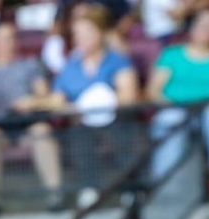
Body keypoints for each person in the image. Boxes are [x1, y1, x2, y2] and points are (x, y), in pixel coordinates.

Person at [39, 3, 141, 207]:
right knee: (78, 131)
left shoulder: (117, 61)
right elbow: (58, 100)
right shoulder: (71, 66)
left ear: (101, 33)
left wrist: (99, 103)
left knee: (122, 129)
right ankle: (89, 187)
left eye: (86, 33)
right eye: (77, 34)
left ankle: (130, 187)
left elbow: (128, 96)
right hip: (83, 123)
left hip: (116, 119)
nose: (80, 38)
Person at [0, 20, 64, 210]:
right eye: (3, 39)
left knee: (42, 131)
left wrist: (31, 102)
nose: (9, 43)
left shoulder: (30, 65)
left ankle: (55, 195)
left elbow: (45, 96)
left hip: (28, 122)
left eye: (12, 38)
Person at [148, 8, 209, 186]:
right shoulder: (172, 54)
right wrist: (172, 105)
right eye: (202, 25)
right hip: (177, 109)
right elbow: (153, 90)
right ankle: (165, 192)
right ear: (191, 28)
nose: (207, 30)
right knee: (171, 119)